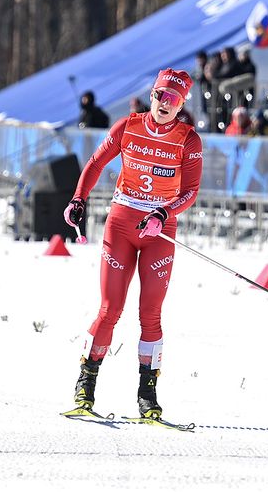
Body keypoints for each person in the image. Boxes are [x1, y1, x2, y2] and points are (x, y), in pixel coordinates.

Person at [61, 68, 203, 421]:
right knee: (109, 309)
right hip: (122, 225)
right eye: (159, 95)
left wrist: (162, 212)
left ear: (182, 103)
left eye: (173, 99)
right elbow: (95, 164)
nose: (164, 104)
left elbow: (190, 192)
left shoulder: (189, 140)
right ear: (152, 95)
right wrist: (78, 199)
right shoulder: (127, 127)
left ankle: (147, 397)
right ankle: (85, 388)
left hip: (159, 231)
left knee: (151, 315)